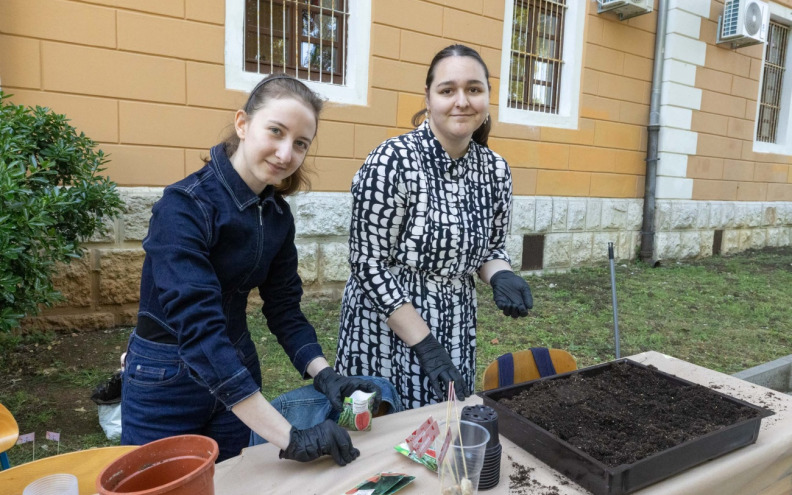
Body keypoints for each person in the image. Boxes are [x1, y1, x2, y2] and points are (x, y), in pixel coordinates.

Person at [121, 74, 380, 464]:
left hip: (236, 364)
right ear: (242, 124)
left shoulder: (276, 214)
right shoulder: (183, 207)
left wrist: (325, 373)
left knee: (232, 482)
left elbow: (284, 309)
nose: (285, 152)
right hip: (166, 378)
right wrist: (290, 438)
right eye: (275, 131)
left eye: (300, 144)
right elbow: (200, 329)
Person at [334, 44, 534, 410]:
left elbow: (490, 248)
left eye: (474, 89)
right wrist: (424, 345)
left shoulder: (495, 170)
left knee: (444, 431)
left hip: (456, 321)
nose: (462, 101)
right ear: (428, 99)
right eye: (447, 90)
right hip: (386, 326)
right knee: (379, 439)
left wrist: (501, 275)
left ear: (487, 98)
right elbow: (367, 264)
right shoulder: (392, 161)